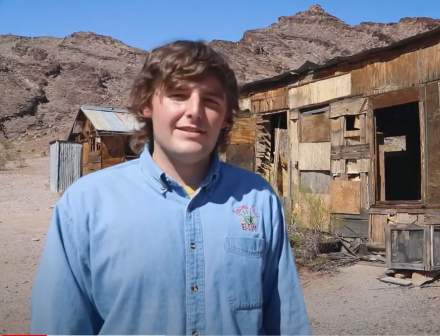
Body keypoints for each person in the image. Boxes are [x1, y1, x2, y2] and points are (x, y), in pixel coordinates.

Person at [29, 40, 312, 336]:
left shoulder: (258, 199)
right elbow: (60, 322)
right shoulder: (87, 203)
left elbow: (286, 322)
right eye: (178, 96)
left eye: (211, 100)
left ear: (227, 117)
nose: (195, 111)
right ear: (146, 105)